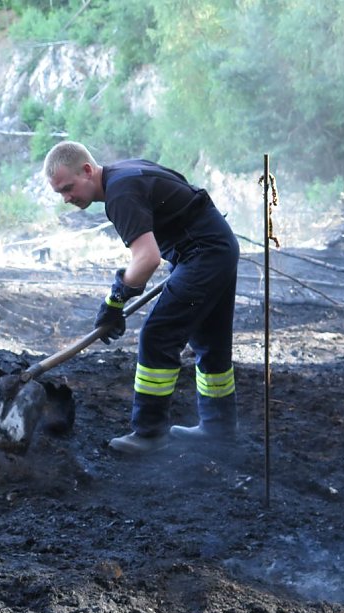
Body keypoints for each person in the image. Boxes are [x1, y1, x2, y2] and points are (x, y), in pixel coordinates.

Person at [43, 141, 240, 455]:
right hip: (217, 247)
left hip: (203, 255)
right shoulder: (126, 171)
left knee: (158, 335)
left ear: (87, 170)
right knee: (211, 342)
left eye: (68, 188)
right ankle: (219, 428)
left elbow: (147, 259)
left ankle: (149, 433)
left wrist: (115, 302)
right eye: (60, 194)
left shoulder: (120, 194)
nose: (67, 198)